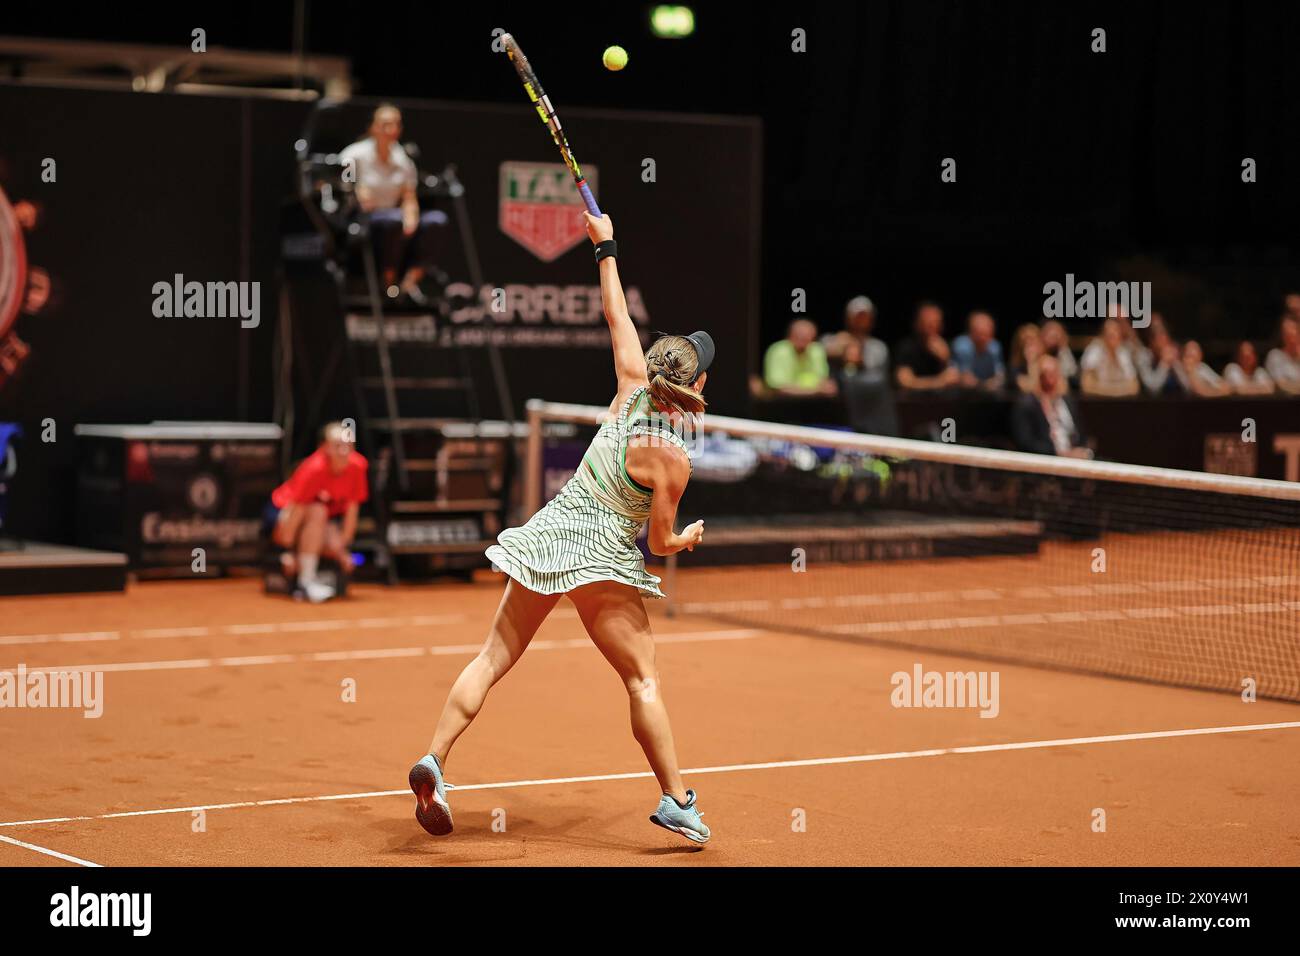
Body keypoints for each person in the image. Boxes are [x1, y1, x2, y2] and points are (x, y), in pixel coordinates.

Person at [409, 211, 712, 845]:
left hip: (550, 534)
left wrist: (606, 246)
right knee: (641, 677)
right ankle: (675, 799)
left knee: (493, 656)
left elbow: (615, 314)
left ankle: (434, 759)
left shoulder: (630, 384)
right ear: (697, 385)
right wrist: (683, 541)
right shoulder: (672, 457)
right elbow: (656, 543)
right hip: (600, 556)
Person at [340, 103, 449, 304]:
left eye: (396, 125)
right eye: (385, 124)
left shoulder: (403, 160)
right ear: (372, 127)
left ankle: (409, 284)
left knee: (436, 220)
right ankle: (388, 284)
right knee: (393, 219)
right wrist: (356, 192)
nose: (391, 130)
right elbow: (341, 186)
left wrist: (411, 218)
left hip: (394, 217)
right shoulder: (353, 155)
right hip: (363, 219)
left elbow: (409, 197)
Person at [266, 422, 368, 603]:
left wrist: (342, 550)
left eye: (349, 445)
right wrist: (287, 551)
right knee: (318, 511)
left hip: (320, 522)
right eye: (338, 446)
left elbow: (352, 511)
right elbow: (295, 512)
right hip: (283, 513)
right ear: (325, 448)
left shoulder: (358, 466)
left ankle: (309, 575)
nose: (344, 451)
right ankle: (306, 581)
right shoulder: (313, 469)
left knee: (334, 542)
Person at [1011, 355, 1091, 458]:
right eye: (1045, 373)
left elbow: (1080, 434)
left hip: (1075, 458)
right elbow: (1025, 443)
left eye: (1054, 373)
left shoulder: (1067, 401)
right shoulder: (1026, 405)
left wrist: (1081, 450)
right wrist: (1060, 454)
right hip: (1046, 462)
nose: (1050, 378)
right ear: (1038, 375)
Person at [895, 301, 960, 391]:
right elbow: (905, 382)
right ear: (917, 323)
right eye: (927, 321)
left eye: (936, 321)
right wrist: (939, 382)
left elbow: (953, 378)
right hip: (913, 401)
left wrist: (945, 359)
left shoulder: (946, 345)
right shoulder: (907, 347)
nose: (932, 325)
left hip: (943, 401)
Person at [763, 318, 834, 395]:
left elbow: (824, 383)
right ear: (790, 335)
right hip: (781, 402)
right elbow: (779, 388)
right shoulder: (778, 351)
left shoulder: (816, 350)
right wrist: (815, 390)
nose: (804, 339)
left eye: (808, 337)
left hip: (814, 402)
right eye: (799, 336)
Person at [823, 296, 889, 376]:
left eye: (865, 316)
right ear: (848, 317)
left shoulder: (879, 347)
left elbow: (878, 374)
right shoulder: (834, 339)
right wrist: (839, 350)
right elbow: (818, 353)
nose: (860, 320)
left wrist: (859, 359)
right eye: (857, 316)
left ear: (872, 319)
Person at [1080, 317, 1141, 396]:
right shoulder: (1094, 350)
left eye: (1115, 330)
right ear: (1103, 335)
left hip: (1120, 402)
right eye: (1109, 331)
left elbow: (1134, 387)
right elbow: (1086, 385)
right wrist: (1116, 390)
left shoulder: (1123, 352)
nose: (1112, 333)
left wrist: (1106, 389)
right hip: (1097, 401)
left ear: (1120, 335)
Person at [951, 310, 1006, 391]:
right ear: (971, 332)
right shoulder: (961, 346)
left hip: (987, 393)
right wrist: (986, 384)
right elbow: (965, 378)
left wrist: (996, 381)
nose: (982, 338)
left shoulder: (995, 348)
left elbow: (1000, 375)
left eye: (986, 333)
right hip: (961, 392)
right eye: (979, 333)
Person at [1265, 316, 1300, 395]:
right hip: (1284, 403)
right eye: (1286, 333)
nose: (1290, 337)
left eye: (1293, 330)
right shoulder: (1275, 356)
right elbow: (1280, 385)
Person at [1038, 320, 1078, 384]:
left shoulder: (1063, 352)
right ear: (1042, 336)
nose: (1053, 340)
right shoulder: (1036, 353)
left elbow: (1071, 374)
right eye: (1050, 336)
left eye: (1056, 336)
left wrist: (1063, 348)